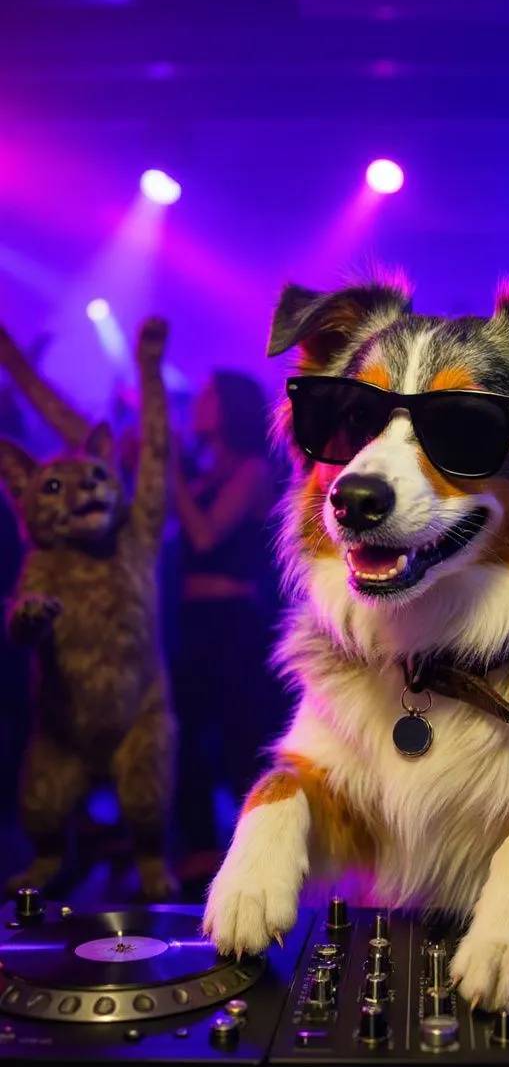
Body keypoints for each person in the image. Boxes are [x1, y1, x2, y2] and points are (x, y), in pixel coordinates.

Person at [171, 370, 288, 880]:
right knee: (188, 731)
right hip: (193, 619)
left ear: (231, 407)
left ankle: (254, 849)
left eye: (209, 395)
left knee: (243, 733)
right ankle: (197, 846)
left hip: (236, 624)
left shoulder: (252, 470)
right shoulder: (206, 471)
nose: (199, 404)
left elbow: (205, 536)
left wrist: (169, 471)